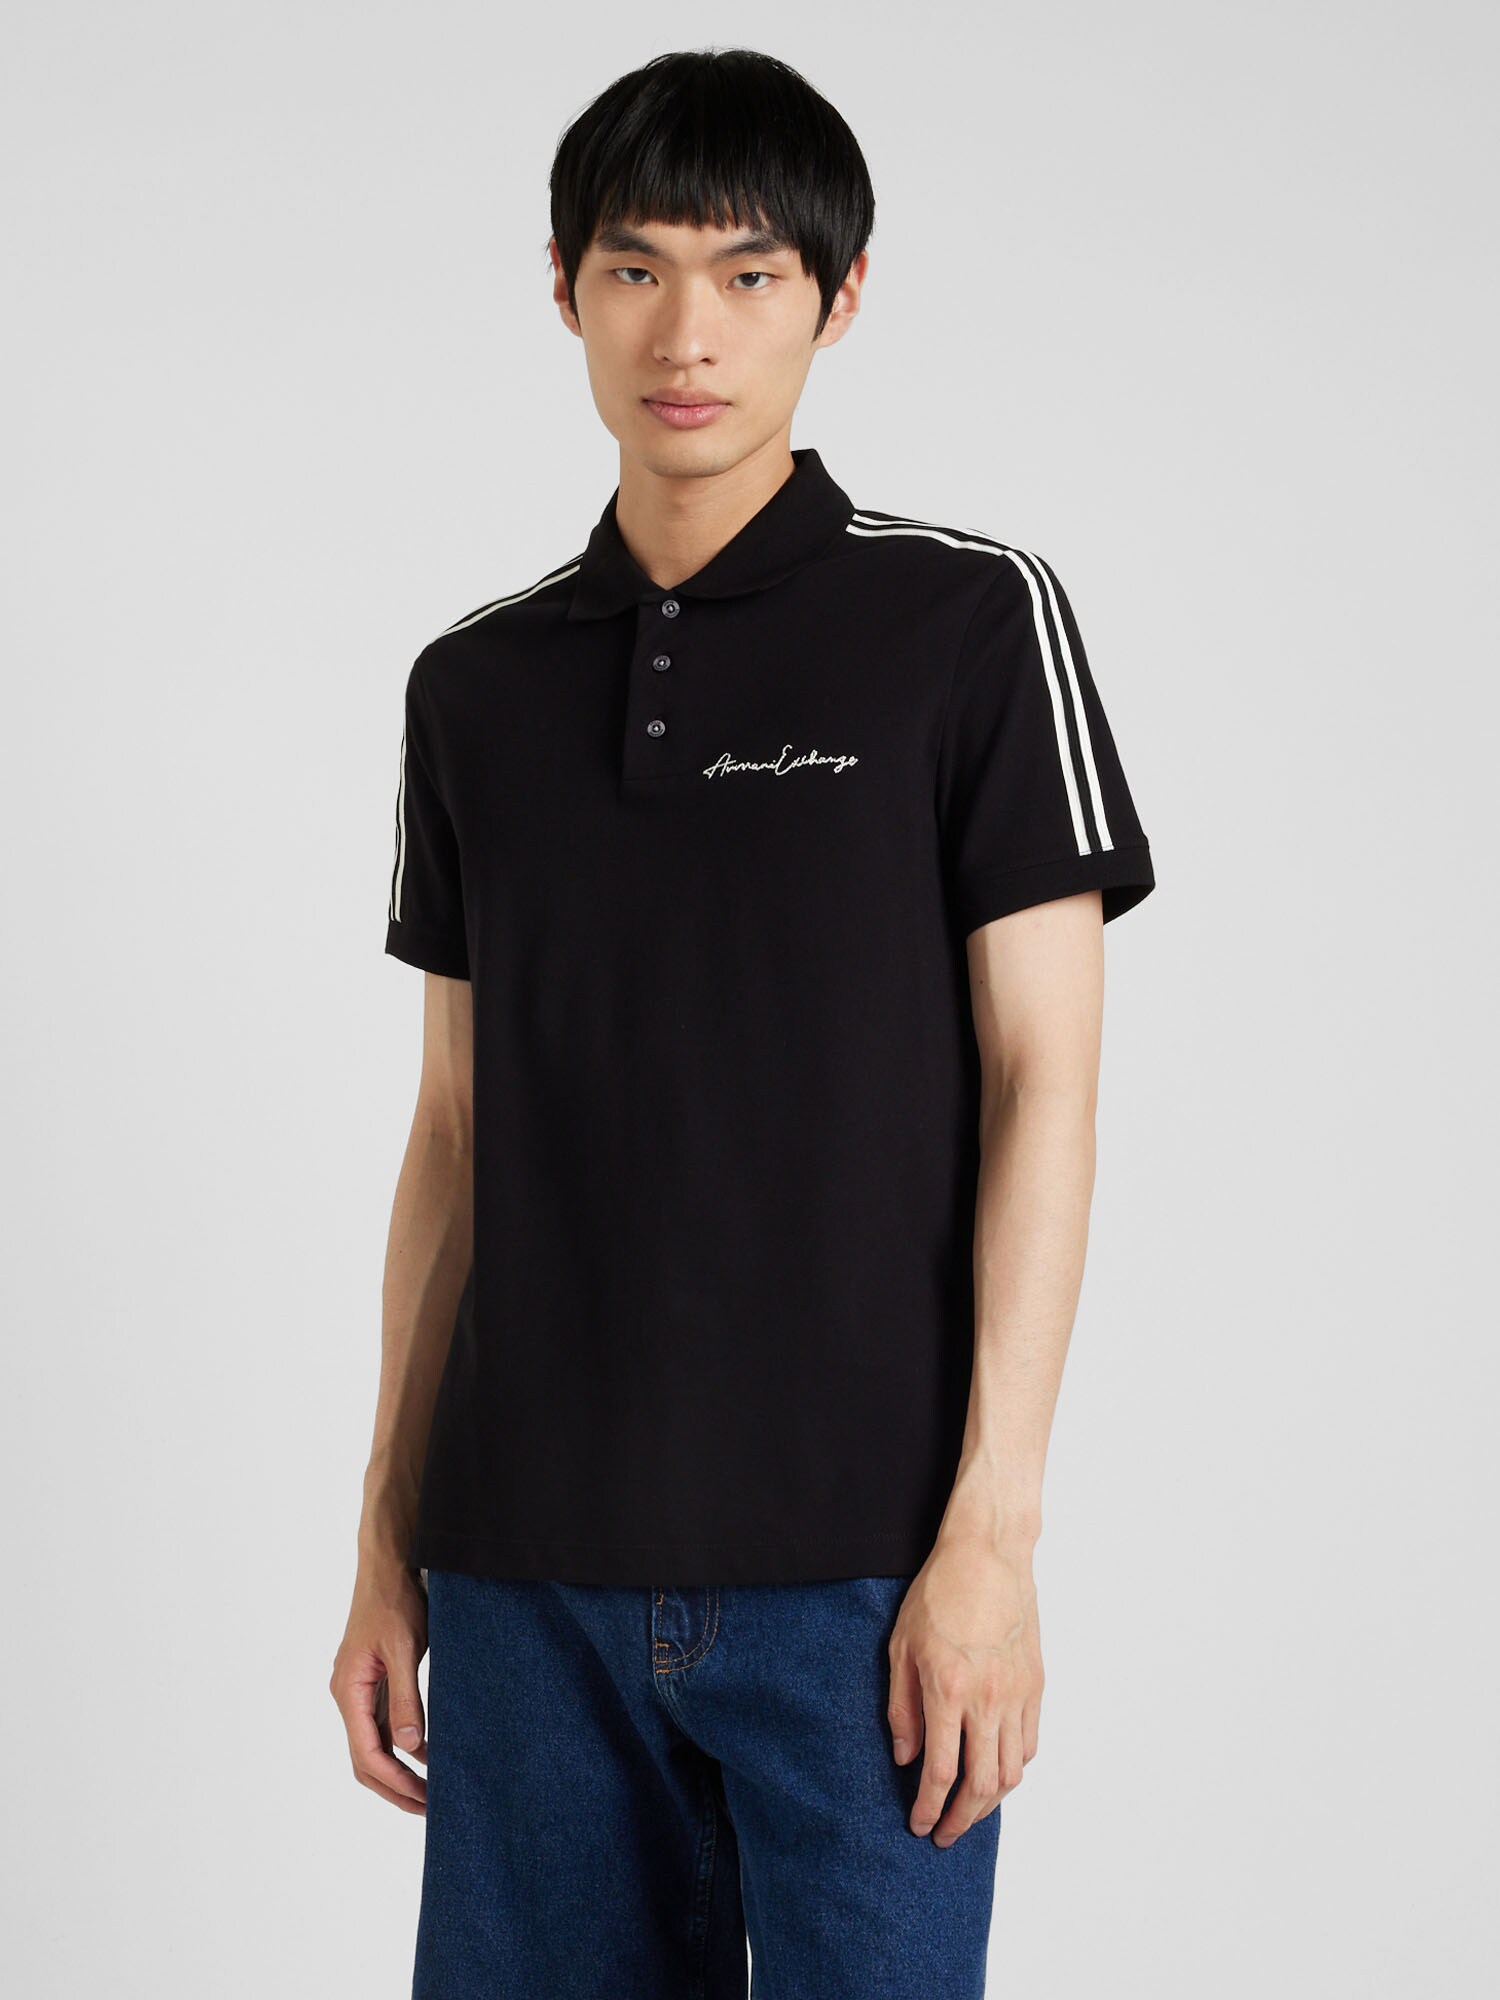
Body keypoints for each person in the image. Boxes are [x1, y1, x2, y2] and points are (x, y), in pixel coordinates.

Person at [330, 45, 1156, 2000]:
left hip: (863, 1581)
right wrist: (385, 1539)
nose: (685, 331)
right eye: (635, 269)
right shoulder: (473, 689)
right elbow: (455, 1131)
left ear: (837, 298)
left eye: (749, 273)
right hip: (523, 1577)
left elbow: (1045, 1081)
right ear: (565, 288)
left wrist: (993, 1537)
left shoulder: (968, 625)